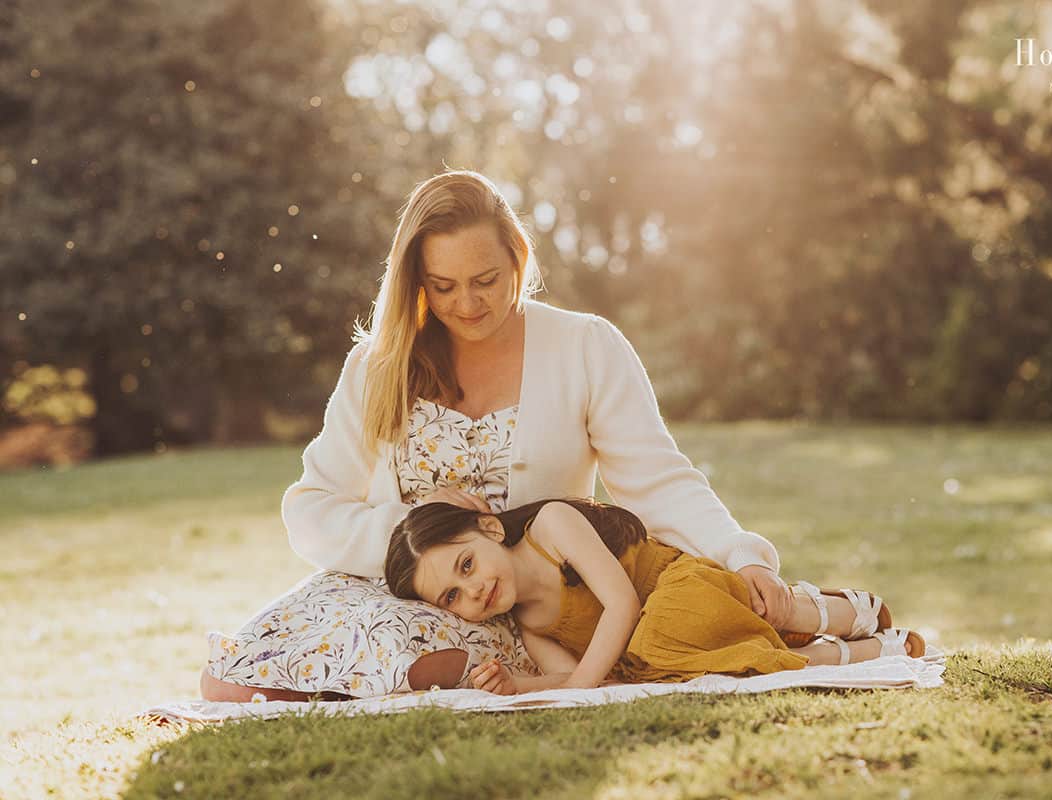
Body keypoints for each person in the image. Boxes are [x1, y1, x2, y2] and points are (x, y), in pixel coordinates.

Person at [202, 170, 803, 701]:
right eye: (443, 286)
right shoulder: (378, 365)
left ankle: (800, 611)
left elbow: (659, 482)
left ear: (518, 255)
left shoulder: (586, 347)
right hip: (396, 594)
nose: (467, 304)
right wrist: (416, 533)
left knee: (409, 663)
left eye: (485, 279)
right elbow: (309, 510)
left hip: (526, 614)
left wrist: (740, 555)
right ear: (417, 281)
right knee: (229, 678)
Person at [384, 498, 924, 694]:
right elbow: (584, 679)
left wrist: (577, 686)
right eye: (453, 597)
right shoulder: (531, 626)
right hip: (667, 645)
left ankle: (824, 609)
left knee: (670, 634)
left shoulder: (551, 527)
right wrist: (518, 685)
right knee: (682, 665)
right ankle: (858, 655)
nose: (473, 590)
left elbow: (623, 604)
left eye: (467, 564)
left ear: (491, 529)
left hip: (676, 588)